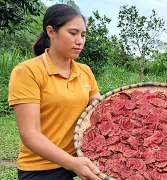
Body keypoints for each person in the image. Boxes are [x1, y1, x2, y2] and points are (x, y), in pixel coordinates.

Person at [8, 4, 102, 180]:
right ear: (51, 31)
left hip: (81, 159)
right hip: (41, 168)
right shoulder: (28, 71)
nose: (80, 41)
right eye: (73, 33)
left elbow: (99, 110)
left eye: (83, 35)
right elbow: (30, 134)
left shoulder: (85, 71)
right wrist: (72, 163)